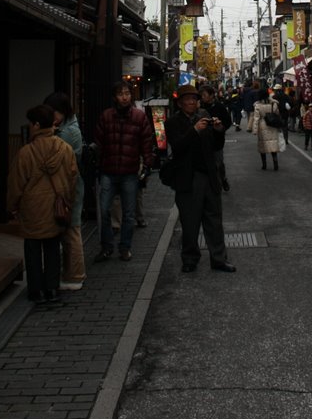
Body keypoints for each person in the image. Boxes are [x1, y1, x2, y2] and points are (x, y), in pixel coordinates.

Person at [7, 103, 78, 307]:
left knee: (32, 248)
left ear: (37, 125)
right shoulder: (65, 149)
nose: (30, 127)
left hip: (32, 207)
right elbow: (73, 178)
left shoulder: (26, 152)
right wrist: (68, 202)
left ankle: (36, 291)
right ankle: (52, 289)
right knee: (53, 248)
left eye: (31, 123)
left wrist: (12, 206)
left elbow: (16, 183)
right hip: (56, 206)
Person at [164, 85, 235, 274]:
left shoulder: (204, 115)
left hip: (209, 176)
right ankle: (189, 259)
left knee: (214, 220)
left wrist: (219, 130)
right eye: (187, 100)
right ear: (179, 103)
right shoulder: (173, 122)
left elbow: (216, 146)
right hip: (188, 178)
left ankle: (219, 259)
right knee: (190, 221)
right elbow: (177, 147)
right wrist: (194, 130)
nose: (191, 103)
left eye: (194, 99)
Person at [94, 81, 154, 262]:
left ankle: (125, 247)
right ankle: (106, 247)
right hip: (108, 170)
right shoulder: (106, 117)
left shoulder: (138, 117)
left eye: (127, 93)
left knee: (128, 214)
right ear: (115, 97)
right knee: (104, 211)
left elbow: (146, 142)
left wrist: (147, 165)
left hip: (129, 171)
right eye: (121, 94)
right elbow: (99, 142)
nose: (125, 97)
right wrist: (98, 164)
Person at [44, 91, 86, 291]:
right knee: (69, 230)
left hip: (70, 187)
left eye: (54, 113)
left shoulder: (68, 132)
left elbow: (56, 161)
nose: (52, 117)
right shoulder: (66, 127)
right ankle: (72, 273)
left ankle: (75, 275)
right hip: (67, 186)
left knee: (71, 230)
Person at [199, 83, 232, 191]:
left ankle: (222, 179)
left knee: (218, 163)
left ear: (212, 95)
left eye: (204, 95)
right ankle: (212, 184)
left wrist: (220, 128)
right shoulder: (199, 107)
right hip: (202, 140)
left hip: (216, 140)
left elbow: (228, 121)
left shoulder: (219, 107)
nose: (202, 97)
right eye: (201, 95)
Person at [253, 93, 282, 171]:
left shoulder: (258, 105)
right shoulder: (273, 103)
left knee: (263, 146)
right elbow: (277, 113)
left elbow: (256, 118)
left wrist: (254, 130)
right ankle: (275, 164)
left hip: (262, 126)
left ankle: (264, 165)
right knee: (273, 145)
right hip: (272, 125)